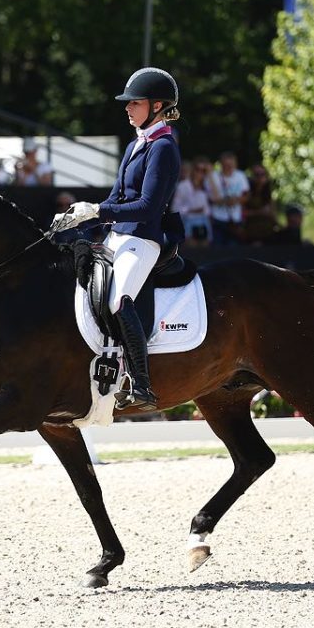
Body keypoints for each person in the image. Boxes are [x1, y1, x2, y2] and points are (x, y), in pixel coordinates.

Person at [51, 67, 183, 410]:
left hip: (143, 239)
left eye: (134, 103)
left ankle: (141, 382)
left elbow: (147, 206)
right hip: (118, 237)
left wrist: (98, 211)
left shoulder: (163, 147)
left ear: (156, 106)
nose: (127, 108)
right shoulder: (135, 145)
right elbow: (115, 198)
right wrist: (80, 215)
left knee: (117, 301)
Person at [206, 151, 249, 245]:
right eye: (226, 165)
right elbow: (213, 198)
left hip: (235, 220)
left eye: (231, 165)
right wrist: (227, 201)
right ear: (221, 164)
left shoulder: (240, 176)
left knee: (233, 250)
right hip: (218, 219)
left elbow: (246, 196)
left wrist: (236, 200)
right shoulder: (213, 176)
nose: (229, 167)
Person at [171, 156, 211, 245]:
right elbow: (174, 208)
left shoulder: (207, 186)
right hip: (188, 223)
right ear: (193, 170)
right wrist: (191, 210)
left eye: (204, 171)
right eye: (198, 169)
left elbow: (209, 208)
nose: (200, 173)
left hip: (204, 223)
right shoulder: (183, 186)